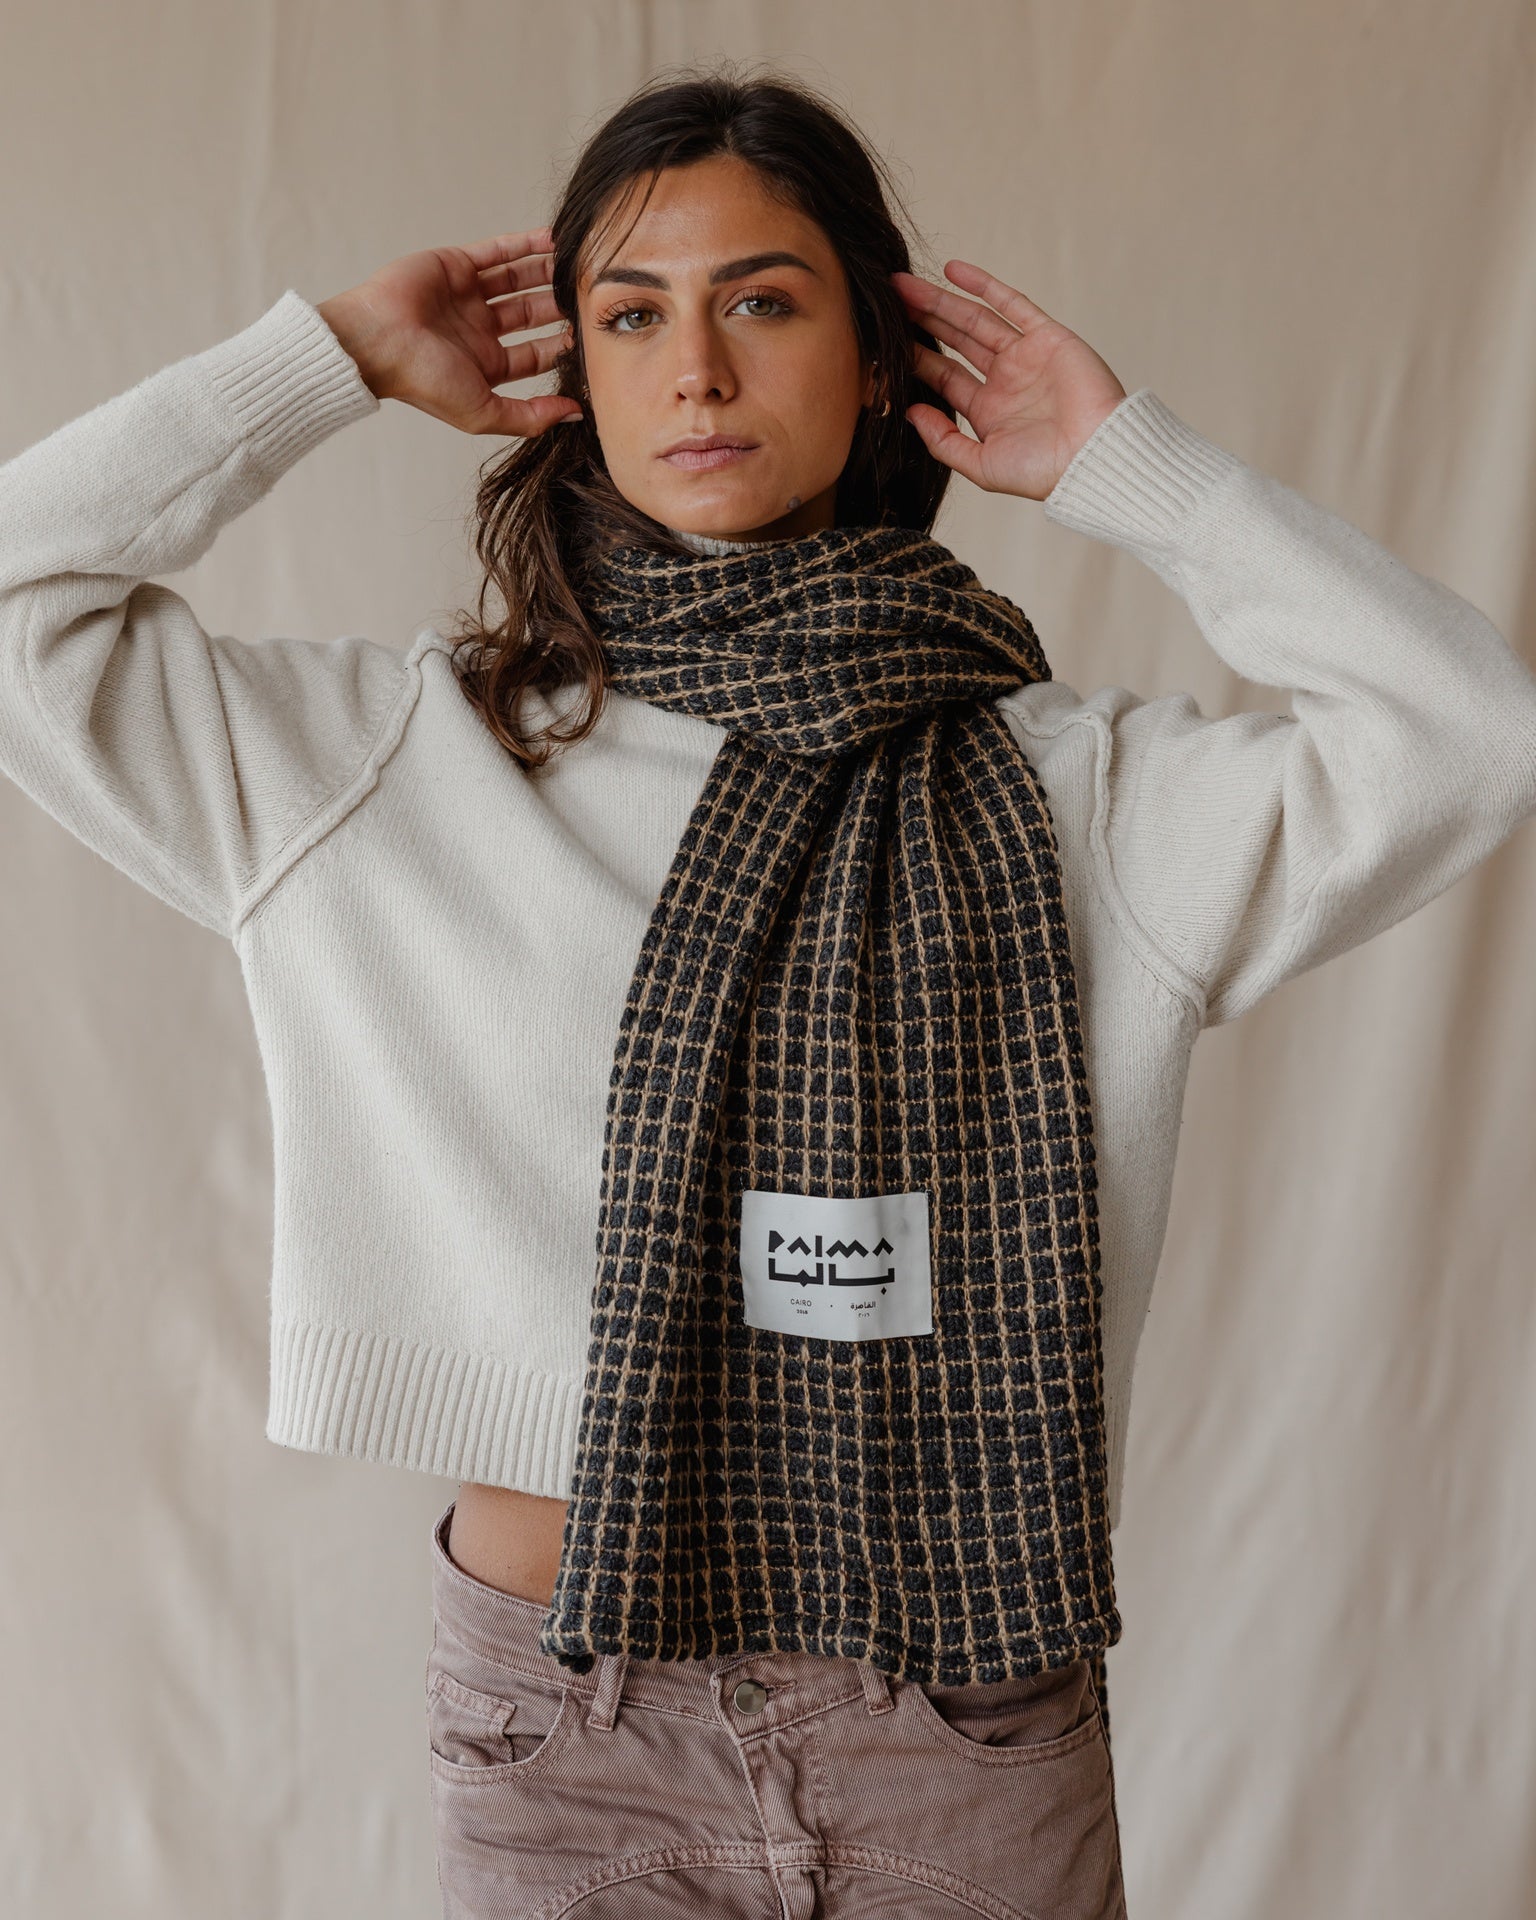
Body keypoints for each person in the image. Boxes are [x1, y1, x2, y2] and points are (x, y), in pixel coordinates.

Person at [4, 63, 1535, 1920]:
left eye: (763, 302)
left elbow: (1468, 735)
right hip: (565, 1728)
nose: (698, 372)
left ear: (880, 356)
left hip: (956, 1725)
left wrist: (1129, 465)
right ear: (573, 370)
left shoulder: (1077, 798)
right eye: (632, 314)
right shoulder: (396, 762)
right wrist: (320, 360)